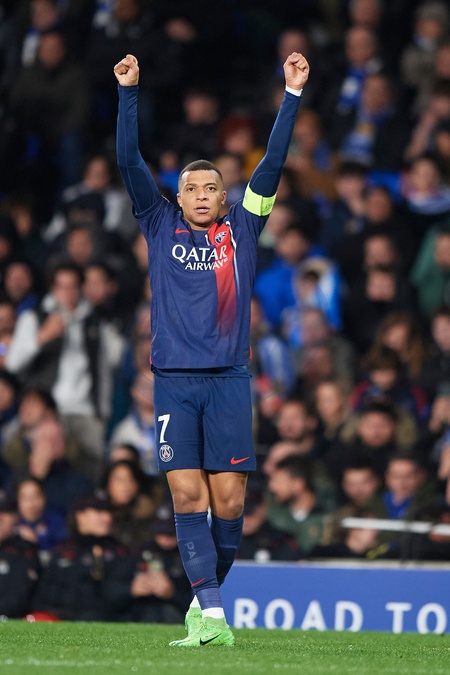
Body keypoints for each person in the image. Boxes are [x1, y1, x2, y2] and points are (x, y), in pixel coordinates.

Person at [114, 50, 310, 647]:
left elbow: (273, 162)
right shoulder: (157, 223)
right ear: (178, 198)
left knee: (228, 502)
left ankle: (203, 602)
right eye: (191, 188)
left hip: (228, 380)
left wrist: (292, 95)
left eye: (211, 188)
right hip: (174, 381)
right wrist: (129, 93)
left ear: (226, 199)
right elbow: (129, 160)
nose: (201, 195)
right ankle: (215, 617)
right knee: (186, 493)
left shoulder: (244, 227)